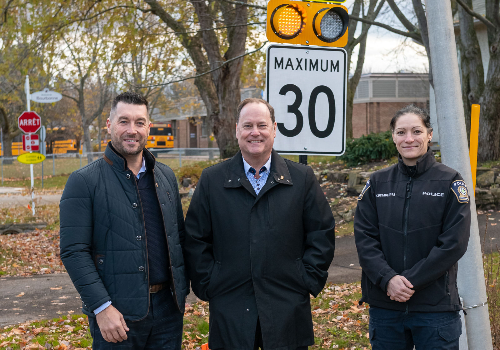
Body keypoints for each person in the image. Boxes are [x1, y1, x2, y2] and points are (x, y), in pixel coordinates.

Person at [184, 98, 336, 350]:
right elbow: (195, 238)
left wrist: (306, 277)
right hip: (230, 305)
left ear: (274, 129)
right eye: (248, 126)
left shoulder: (301, 178)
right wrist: (210, 283)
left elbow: (321, 233)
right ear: (237, 130)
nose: (255, 132)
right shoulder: (212, 180)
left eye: (262, 125)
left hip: (287, 306)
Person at [60, 91, 188, 349]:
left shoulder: (165, 177)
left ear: (149, 127)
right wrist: (101, 307)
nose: (132, 130)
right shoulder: (84, 181)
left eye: (140, 122)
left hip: (168, 312)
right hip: (116, 315)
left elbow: (178, 239)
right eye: (124, 121)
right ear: (109, 125)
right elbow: (74, 251)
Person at [354, 104, 471, 350]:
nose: (409, 139)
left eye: (416, 131)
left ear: (429, 134)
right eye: (401, 132)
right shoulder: (377, 183)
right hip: (386, 308)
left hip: (435, 309)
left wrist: (408, 282)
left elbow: (454, 243)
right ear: (393, 137)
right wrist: (388, 280)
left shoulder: (450, 181)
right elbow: (365, 240)